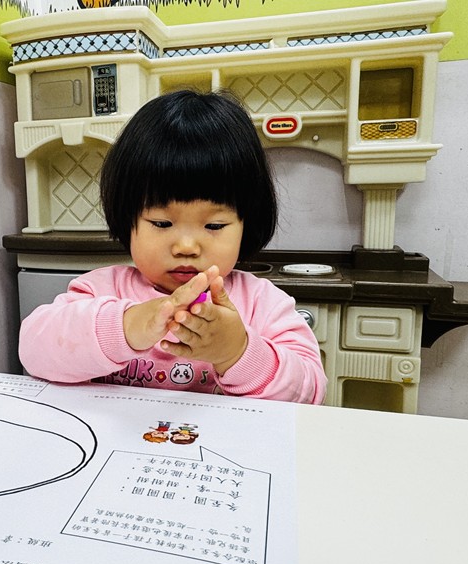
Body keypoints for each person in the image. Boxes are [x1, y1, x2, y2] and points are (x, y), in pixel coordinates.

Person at [19, 89, 326, 403]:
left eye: (214, 226)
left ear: (247, 224)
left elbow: (311, 393)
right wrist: (125, 327)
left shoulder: (262, 303)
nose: (186, 246)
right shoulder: (101, 290)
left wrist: (237, 351)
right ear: (127, 218)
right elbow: (32, 352)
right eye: (162, 223)